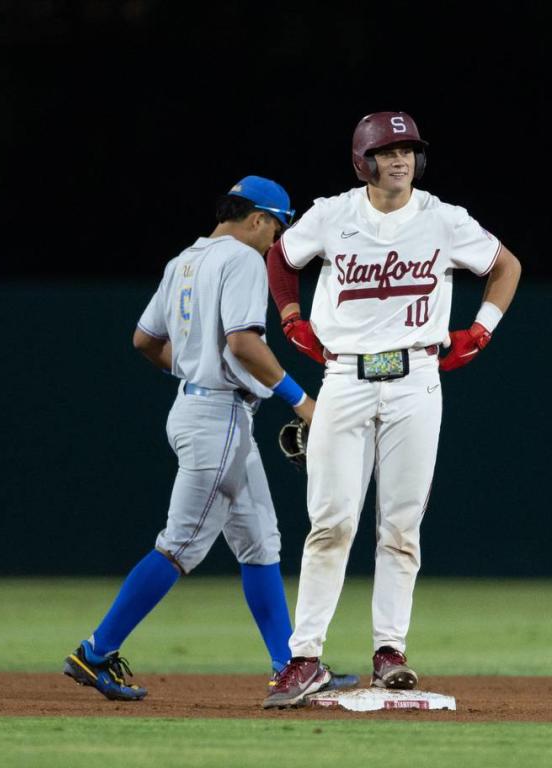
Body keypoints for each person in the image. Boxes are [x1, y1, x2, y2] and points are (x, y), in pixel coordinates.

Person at [62, 176, 356, 702]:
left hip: (199, 409)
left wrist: (197, 366)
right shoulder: (244, 260)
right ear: (260, 218)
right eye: (277, 227)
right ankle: (95, 651)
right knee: (179, 545)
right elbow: (243, 343)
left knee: (261, 542)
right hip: (217, 418)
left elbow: (144, 340)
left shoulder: (185, 260)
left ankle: (291, 666)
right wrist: (302, 402)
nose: (277, 242)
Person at [262, 112, 522, 708]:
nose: (401, 159)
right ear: (363, 162)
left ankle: (390, 653)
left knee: (401, 528)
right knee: (332, 522)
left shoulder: (443, 218)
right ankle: (303, 659)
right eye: (389, 150)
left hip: (415, 379)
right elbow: (282, 257)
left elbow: (506, 266)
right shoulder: (333, 214)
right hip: (347, 376)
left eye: (409, 150)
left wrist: (481, 331)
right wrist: (290, 317)